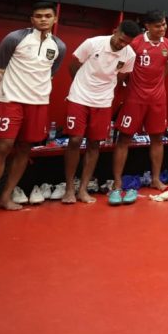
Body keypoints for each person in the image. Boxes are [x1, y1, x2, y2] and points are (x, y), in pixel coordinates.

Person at [0, 2, 67, 220]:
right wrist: (4, 94)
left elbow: (50, 73)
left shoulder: (59, 46)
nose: (43, 20)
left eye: (47, 16)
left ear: (55, 19)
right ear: (31, 19)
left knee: (25, 148)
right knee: (3, 146)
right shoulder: (15, 38)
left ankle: (5, 197)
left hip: (38, 103)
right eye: (38, 16)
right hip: (11, 100)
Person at [63, 21, 138, 205]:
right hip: (79, 97)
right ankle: (69, 189)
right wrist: (81, 87)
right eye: (121, 40)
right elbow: (72, 66)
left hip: (103, 102)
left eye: (126, 42)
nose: (122, 45)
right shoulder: (92, 43)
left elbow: (120, 77)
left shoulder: (129, 55)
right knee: (74, 140)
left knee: (95, 143)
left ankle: (83, 189)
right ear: (114, 31)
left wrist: (102, 91)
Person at [114, 11, 168, 191]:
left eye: (164, 24)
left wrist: (155, 87)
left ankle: (155, 179)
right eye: (158, 26)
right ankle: (117, 181)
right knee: (124, 138)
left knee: (157, 138)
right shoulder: (135, 43)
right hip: (135, 98)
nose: (163, 28)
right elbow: (122, 69)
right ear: (147, 26)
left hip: (157, 99)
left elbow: (166, 70)